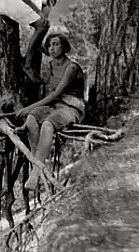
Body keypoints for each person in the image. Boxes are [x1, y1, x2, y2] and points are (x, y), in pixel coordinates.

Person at [13, 32, 86, 191]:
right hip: (55, 105)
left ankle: (35, 174)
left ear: (64, 46)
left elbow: (57, 93)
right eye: (49, 45)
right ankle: (37, 164)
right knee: (32, 118)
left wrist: (27, 108)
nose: (52, 48)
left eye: (56, 44)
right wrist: (31, 110)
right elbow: (48, 89)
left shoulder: (71, 67)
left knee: (47, 124)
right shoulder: (52, 65)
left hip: (71, 107)